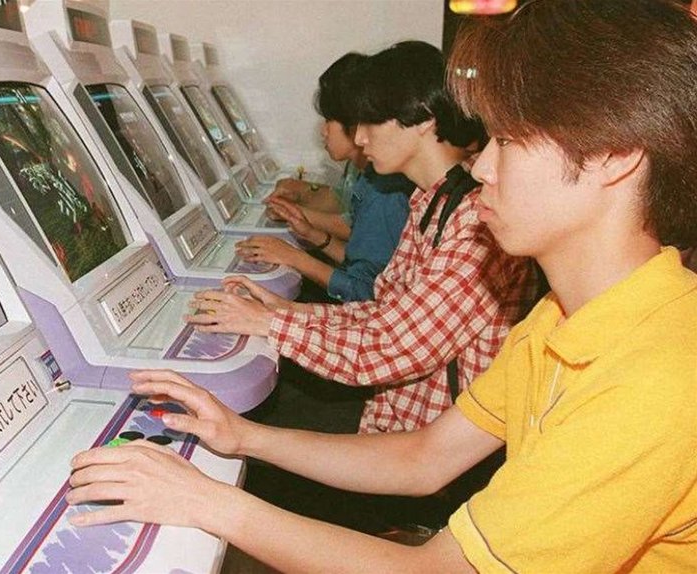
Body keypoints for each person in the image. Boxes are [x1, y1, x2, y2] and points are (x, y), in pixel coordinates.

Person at [65, 1, 697, 571]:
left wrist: (206, 501)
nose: (481, 165)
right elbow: (423, 457)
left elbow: (439, 570)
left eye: (509, 141)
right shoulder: (563, 317)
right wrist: (242, 435)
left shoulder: (659, 378)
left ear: (614, 156)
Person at [190, 40, 536, 433]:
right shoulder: (430, 202)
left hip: (419, 443)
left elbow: (392, 347)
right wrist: (281, 311)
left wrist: (270, 323)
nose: (360, 139)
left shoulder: (474, 220)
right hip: (394, 418)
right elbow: (383, 312)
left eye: (370, 121)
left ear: (423, 120)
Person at [234, 53, 414, 303]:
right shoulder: (370, 179)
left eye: (329, 119)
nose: (323, 130)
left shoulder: (385, 191)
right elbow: (361, 263)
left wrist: (294, 257)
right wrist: (312, 234)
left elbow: (368, 292)